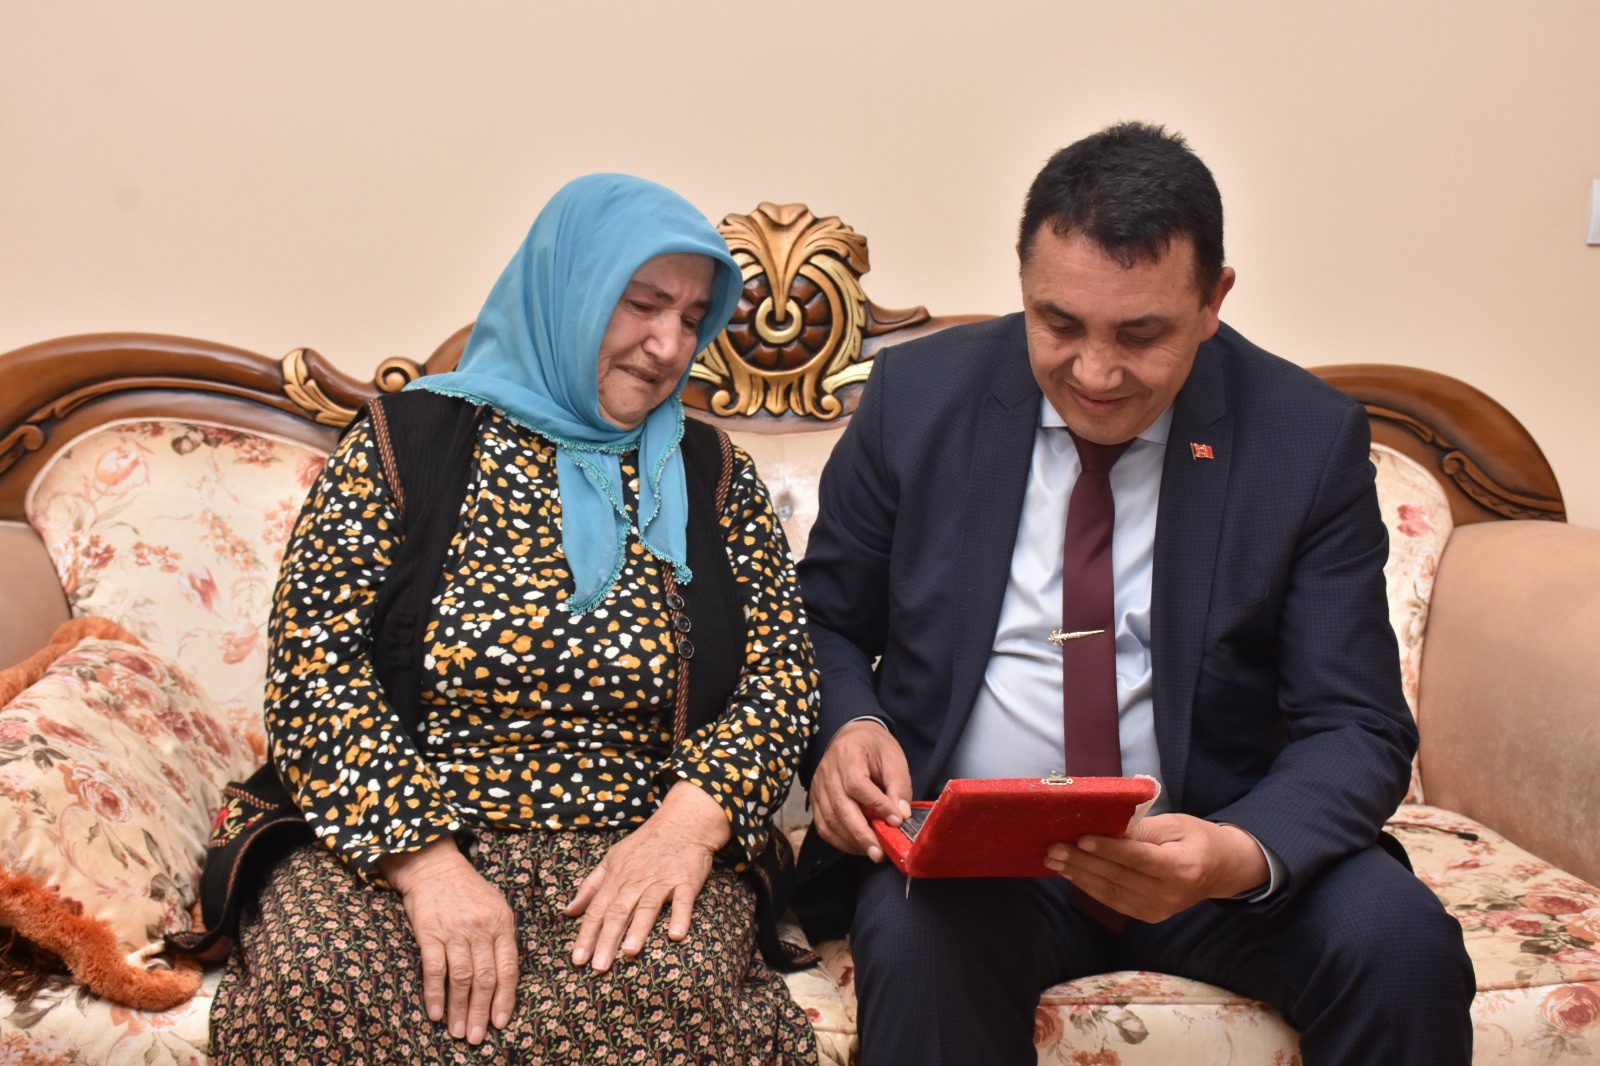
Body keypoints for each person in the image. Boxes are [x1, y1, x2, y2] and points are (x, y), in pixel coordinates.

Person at [794, 123, 1475, 1064]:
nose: (1095, 372)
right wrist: (851, 726)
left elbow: (1355, 723)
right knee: (919, 946)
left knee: (1402, 949)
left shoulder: (1304, 439)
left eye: (1140, 334)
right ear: (1024, 282)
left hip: (1210, 841)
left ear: (1212, 301)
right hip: (978, 859)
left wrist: (1237, 853)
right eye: (1060, 324)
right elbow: (822, 619)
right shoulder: (918, 398)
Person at [210, 174, 820, 1064]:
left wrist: (687, 828)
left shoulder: (713, 474)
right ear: (566, 289)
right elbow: (315, 669)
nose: (668, 346)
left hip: (635, 842)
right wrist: (427, 865)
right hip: (397, 838)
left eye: (693, 318)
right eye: (642, 304)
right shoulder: (400, 443)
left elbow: (783, 677)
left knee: (673, 1005)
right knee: (320, 989)